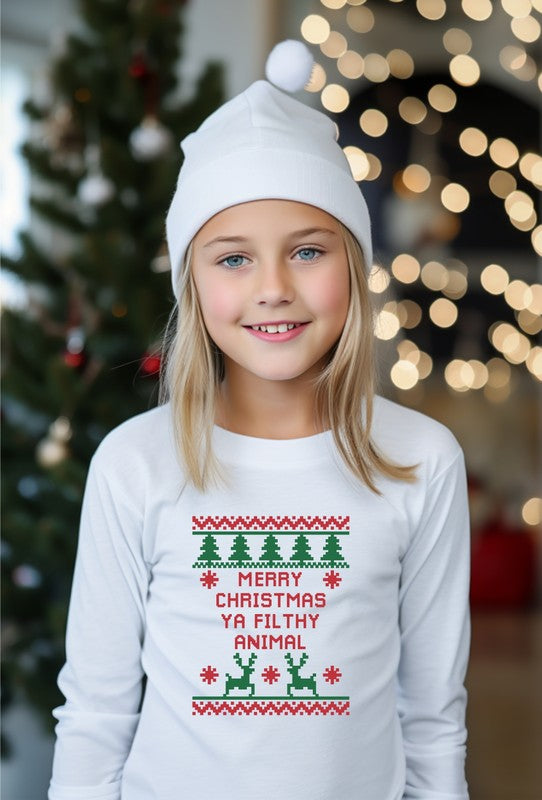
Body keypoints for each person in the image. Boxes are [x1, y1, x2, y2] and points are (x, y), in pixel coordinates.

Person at [48, 39, 470, 800]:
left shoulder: (421, 458)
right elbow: (96, 713)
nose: (273, 288)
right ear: (192, 283)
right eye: (234, 259)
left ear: (353, 266)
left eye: (307, 252)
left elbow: (433, 716)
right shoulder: (135, 462)